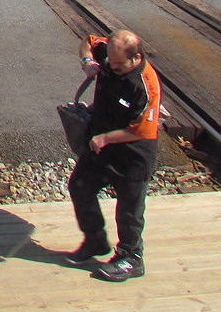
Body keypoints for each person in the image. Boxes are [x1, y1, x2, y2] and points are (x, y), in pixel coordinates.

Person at [65, 29, 161, 282]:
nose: (112, 66)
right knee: (80, 186)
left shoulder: (144, 85)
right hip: (101, 143)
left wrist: (105, 138)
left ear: (136, 58)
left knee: (129, 209)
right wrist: (88, 62)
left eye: (118, 64)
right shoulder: (108, 53)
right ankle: (95, 240)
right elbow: (87, 42)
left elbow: (141, 130)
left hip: (133, 152)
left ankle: (131, 257)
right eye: (110, 60)